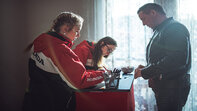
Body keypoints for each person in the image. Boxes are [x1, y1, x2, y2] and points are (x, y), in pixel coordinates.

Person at [22, 12, 105, 111]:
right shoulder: (59, 49)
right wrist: (104, 75)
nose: (78, 35)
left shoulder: (42, 40)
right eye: (77, 31)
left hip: (34, 101)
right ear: (66, 28)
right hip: (53, 104)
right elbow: (79, 81)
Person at [134, 3, 191, 111]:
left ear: (153, 13)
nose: (143, 24)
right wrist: (147, 67)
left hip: (172, 87)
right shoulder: (162, 29)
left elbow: (176, 60)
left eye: (144, 19)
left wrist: (145, 72)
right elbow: (163, 56)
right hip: (167, 86)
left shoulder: (175, 28)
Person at [73, 37, 135, 111]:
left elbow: (99, 69)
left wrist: (107, 72)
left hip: (88, 87)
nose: (108, 53)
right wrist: (102, 74)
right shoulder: (83, 50)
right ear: (102, 43)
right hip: (78, 91)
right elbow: (78, 75)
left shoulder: (97, 53)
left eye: (111, 52)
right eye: (109, 50)